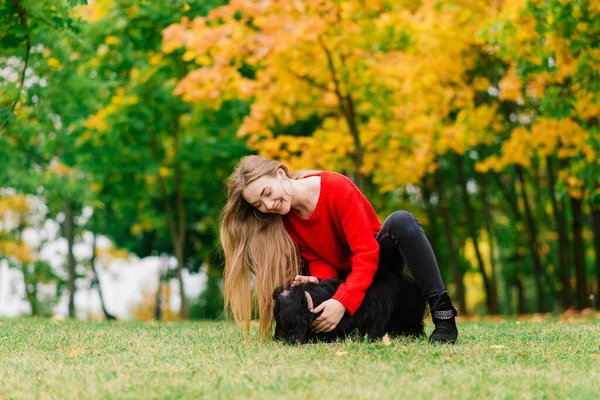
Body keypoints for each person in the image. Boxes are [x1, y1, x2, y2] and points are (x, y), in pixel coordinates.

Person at [220, 155, 458, 344]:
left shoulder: (335, 187)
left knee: (401, 220)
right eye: (258, 205)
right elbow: (321, 260)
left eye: (267, 193)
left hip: (377, 264)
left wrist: (342, 301)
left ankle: (443, 314)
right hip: (346, 276)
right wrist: (319, 282)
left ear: (280, 174)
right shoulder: (287, 220)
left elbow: (366, 253)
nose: (268, 205)